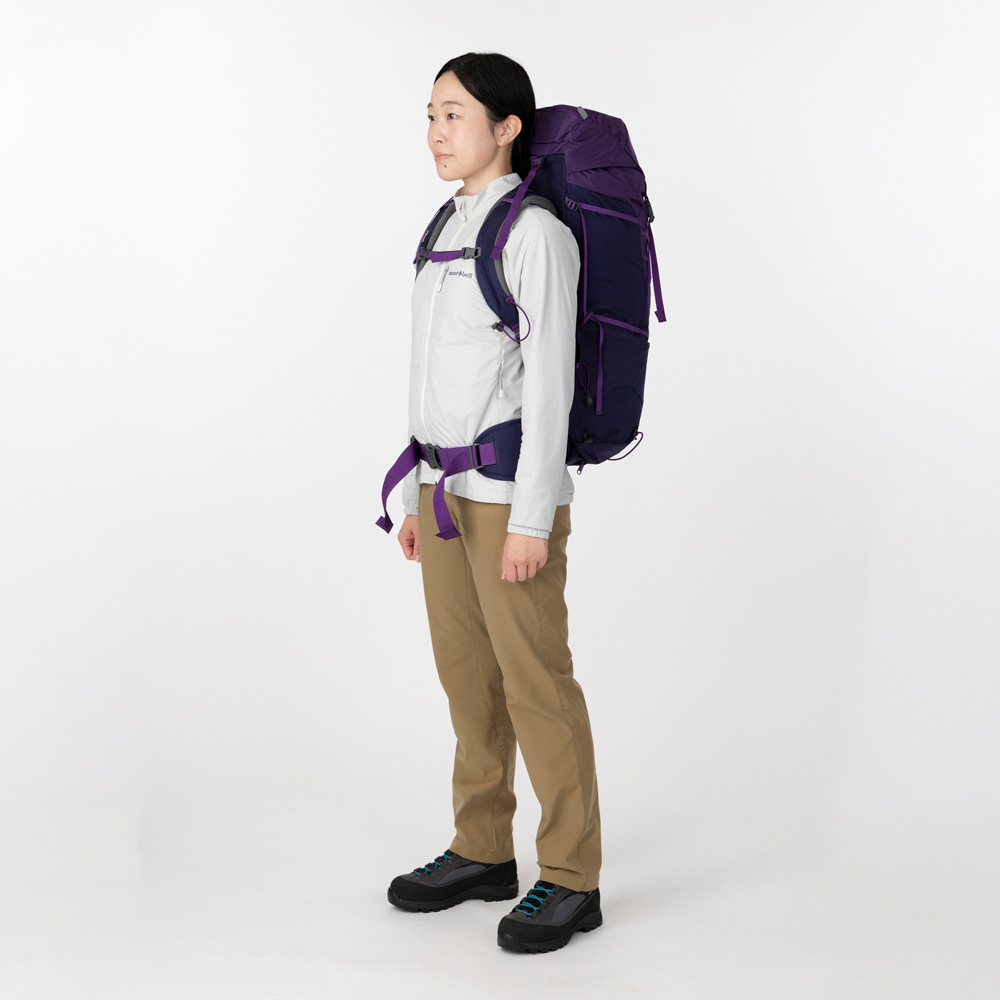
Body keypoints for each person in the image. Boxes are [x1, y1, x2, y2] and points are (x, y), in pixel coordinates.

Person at [384, 52, 603, 955]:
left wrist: (531, 518)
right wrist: (415, 489)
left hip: (509, 498)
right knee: (467, 677)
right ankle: (482, 849)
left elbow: (549, 385)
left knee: (535, 682)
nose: (437, 132)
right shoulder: (446, 223)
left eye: (455, 115)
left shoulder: (535, 234)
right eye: (431, 115)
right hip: (444, 492)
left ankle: (572, 877)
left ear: (507, 127)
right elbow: (434, 373)